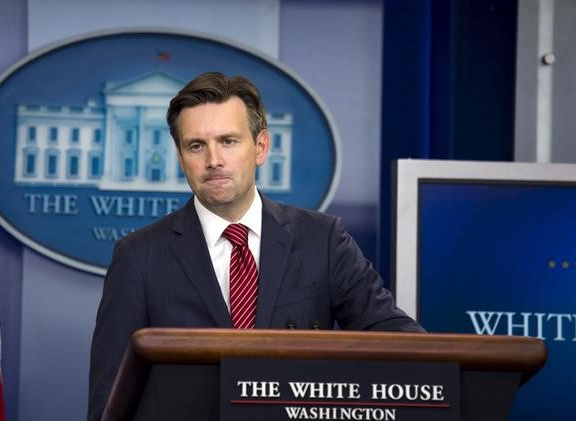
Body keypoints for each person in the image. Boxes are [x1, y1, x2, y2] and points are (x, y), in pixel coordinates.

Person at [87, 72, 423, 421]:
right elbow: (109, 401)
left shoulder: (322, 240)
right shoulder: (139, 257)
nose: (213, 160)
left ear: (260, 147)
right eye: (196, 145)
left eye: (228, 141)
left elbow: (400, 341)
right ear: (180, 156)